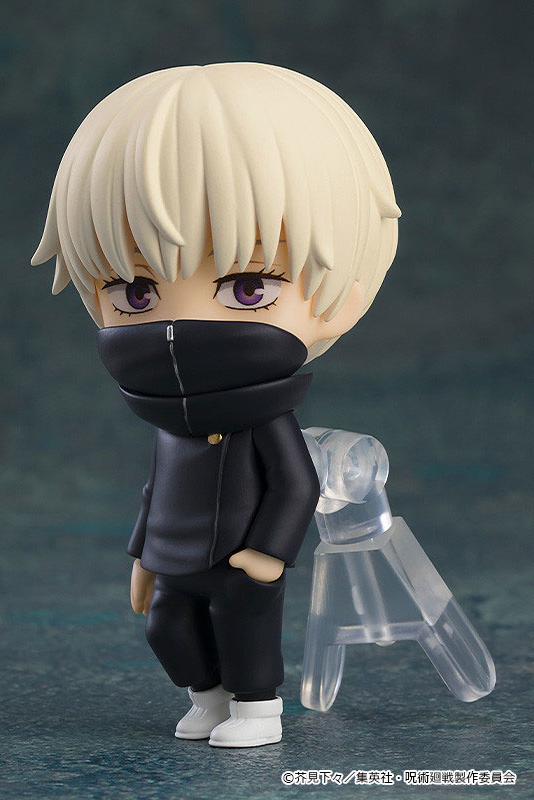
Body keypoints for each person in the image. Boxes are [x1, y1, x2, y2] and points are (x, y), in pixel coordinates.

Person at [32, 62, 400, 747]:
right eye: (136, 292)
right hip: (174, 555)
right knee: (166, 628)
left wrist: (268, 553)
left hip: (239, 558)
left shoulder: (261, 417)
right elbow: (157, 486)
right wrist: (142, 554)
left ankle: (257, 709)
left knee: (243, 629)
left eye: (249, 286)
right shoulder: (169, 418)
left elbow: (295, 482)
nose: (178, 324)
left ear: (344, 297)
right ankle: (207, 698)